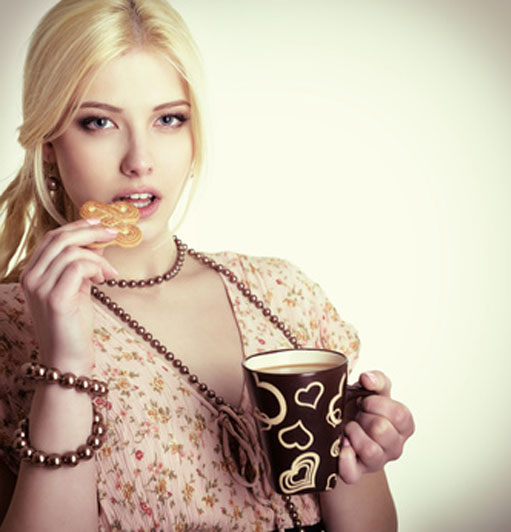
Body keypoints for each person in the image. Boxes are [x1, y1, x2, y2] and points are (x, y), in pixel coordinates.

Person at [0, 1, 414, 530]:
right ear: (50, 144)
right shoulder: (11, 327)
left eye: (169, 119)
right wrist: (64, 363)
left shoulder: (280, 294)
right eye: (98, 122)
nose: (140, 159)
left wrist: (361, 451)